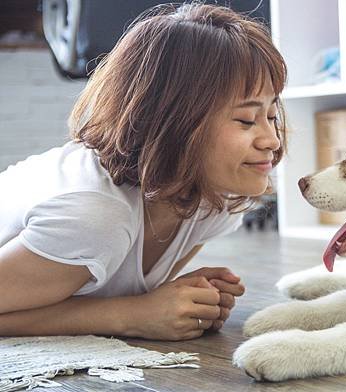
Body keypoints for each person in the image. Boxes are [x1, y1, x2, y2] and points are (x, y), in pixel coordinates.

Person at [0, 2, 287, 341]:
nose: (271, 140)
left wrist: (179, 299)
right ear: (173, 123)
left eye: (271, 116)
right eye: (245, 120)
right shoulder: (95, 216)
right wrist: (130, 315)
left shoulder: (213, 199)